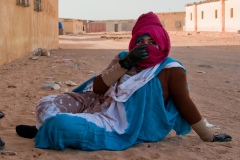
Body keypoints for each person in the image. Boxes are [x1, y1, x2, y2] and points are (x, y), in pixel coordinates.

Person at [16, 12, 231, 151]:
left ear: (162, 42)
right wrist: (125, 64)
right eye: (140, 41)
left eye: (152, 41)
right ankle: (51, 127)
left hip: (122, 124)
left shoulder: (170, 70)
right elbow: (99, 88)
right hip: (97, 103)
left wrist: (208, 136)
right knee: (45, 103)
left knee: (58, 125)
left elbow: (186, 104)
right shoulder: (123, 58)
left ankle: (45, 130)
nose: (145, 46)